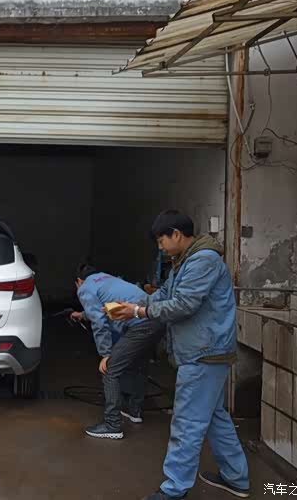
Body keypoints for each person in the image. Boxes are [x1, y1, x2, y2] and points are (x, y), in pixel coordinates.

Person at [109, 210, 249, 500]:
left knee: (187, 423)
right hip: (205, 351)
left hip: (203, 353)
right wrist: (131, 306)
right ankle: (236, 477)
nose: (160, 247)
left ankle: (174, 489)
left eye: (161, 241)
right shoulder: (184, 262)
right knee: (214, 418)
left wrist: (139, 311)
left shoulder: (203, 261)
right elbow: (163, 296)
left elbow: (184, 305)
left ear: (176, 234)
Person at [72, 264, 165, 440]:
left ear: (79, 281)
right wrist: (83, 315)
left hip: (140, 326)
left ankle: (112, 424)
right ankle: (134, 411)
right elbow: (109, 306)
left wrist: (106, 354)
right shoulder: (108, 279)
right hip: (156, 320)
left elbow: (99, 322)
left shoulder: (85, 288)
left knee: (110, 369)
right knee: (138, 365)